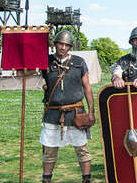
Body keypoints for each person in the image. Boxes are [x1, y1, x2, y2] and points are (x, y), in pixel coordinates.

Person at [40, 31, 95, 183]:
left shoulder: (79, 62)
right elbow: (30, 70)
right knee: (49, 150)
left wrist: (91, 111)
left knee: (82, 149)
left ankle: (86, 180)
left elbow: (87, 87)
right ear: (55, 44)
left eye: (66, 45)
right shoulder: (46, 62)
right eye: (60, 44)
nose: (63, 47)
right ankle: (46, 180)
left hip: (76, 113)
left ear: (70, 46)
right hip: (53, 113)